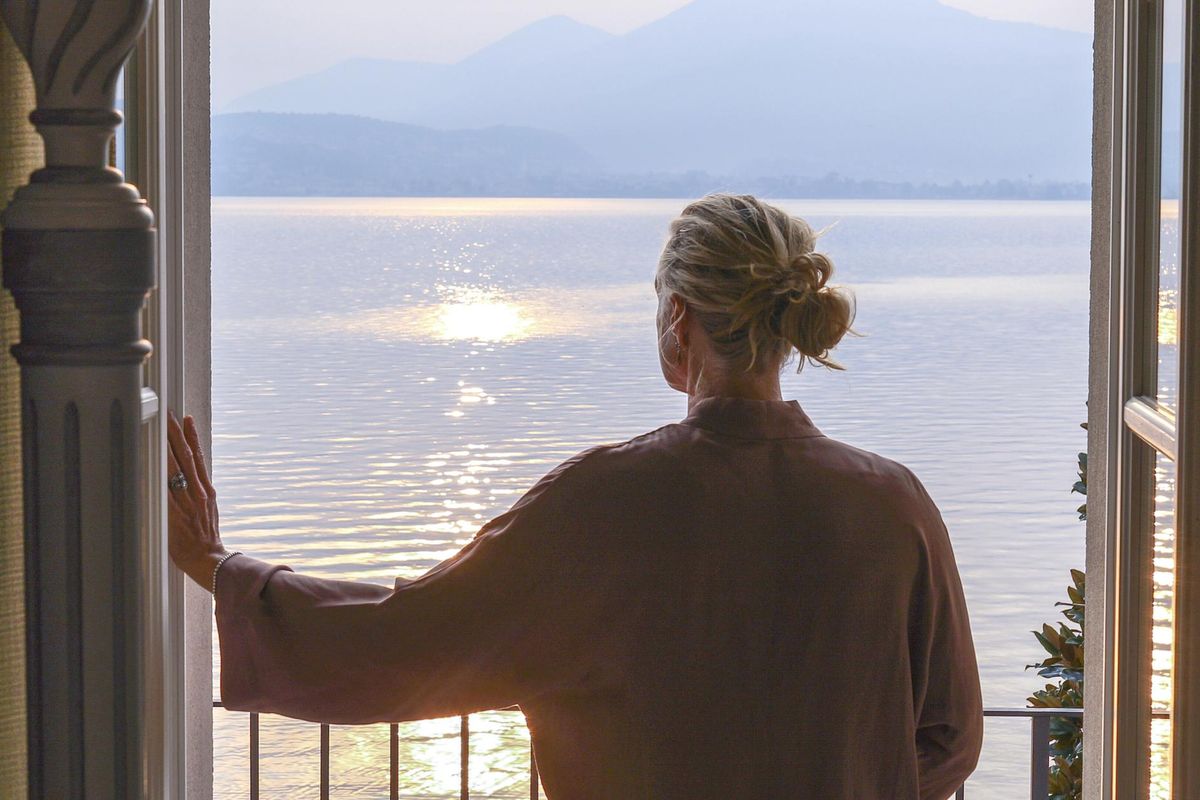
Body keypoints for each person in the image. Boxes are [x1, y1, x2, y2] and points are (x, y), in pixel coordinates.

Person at [168, 194, 983, 799]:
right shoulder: (891, 505)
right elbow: (948, 737)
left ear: (678, 320)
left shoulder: (601, 505)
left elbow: (403, 641)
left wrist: (218, 566)